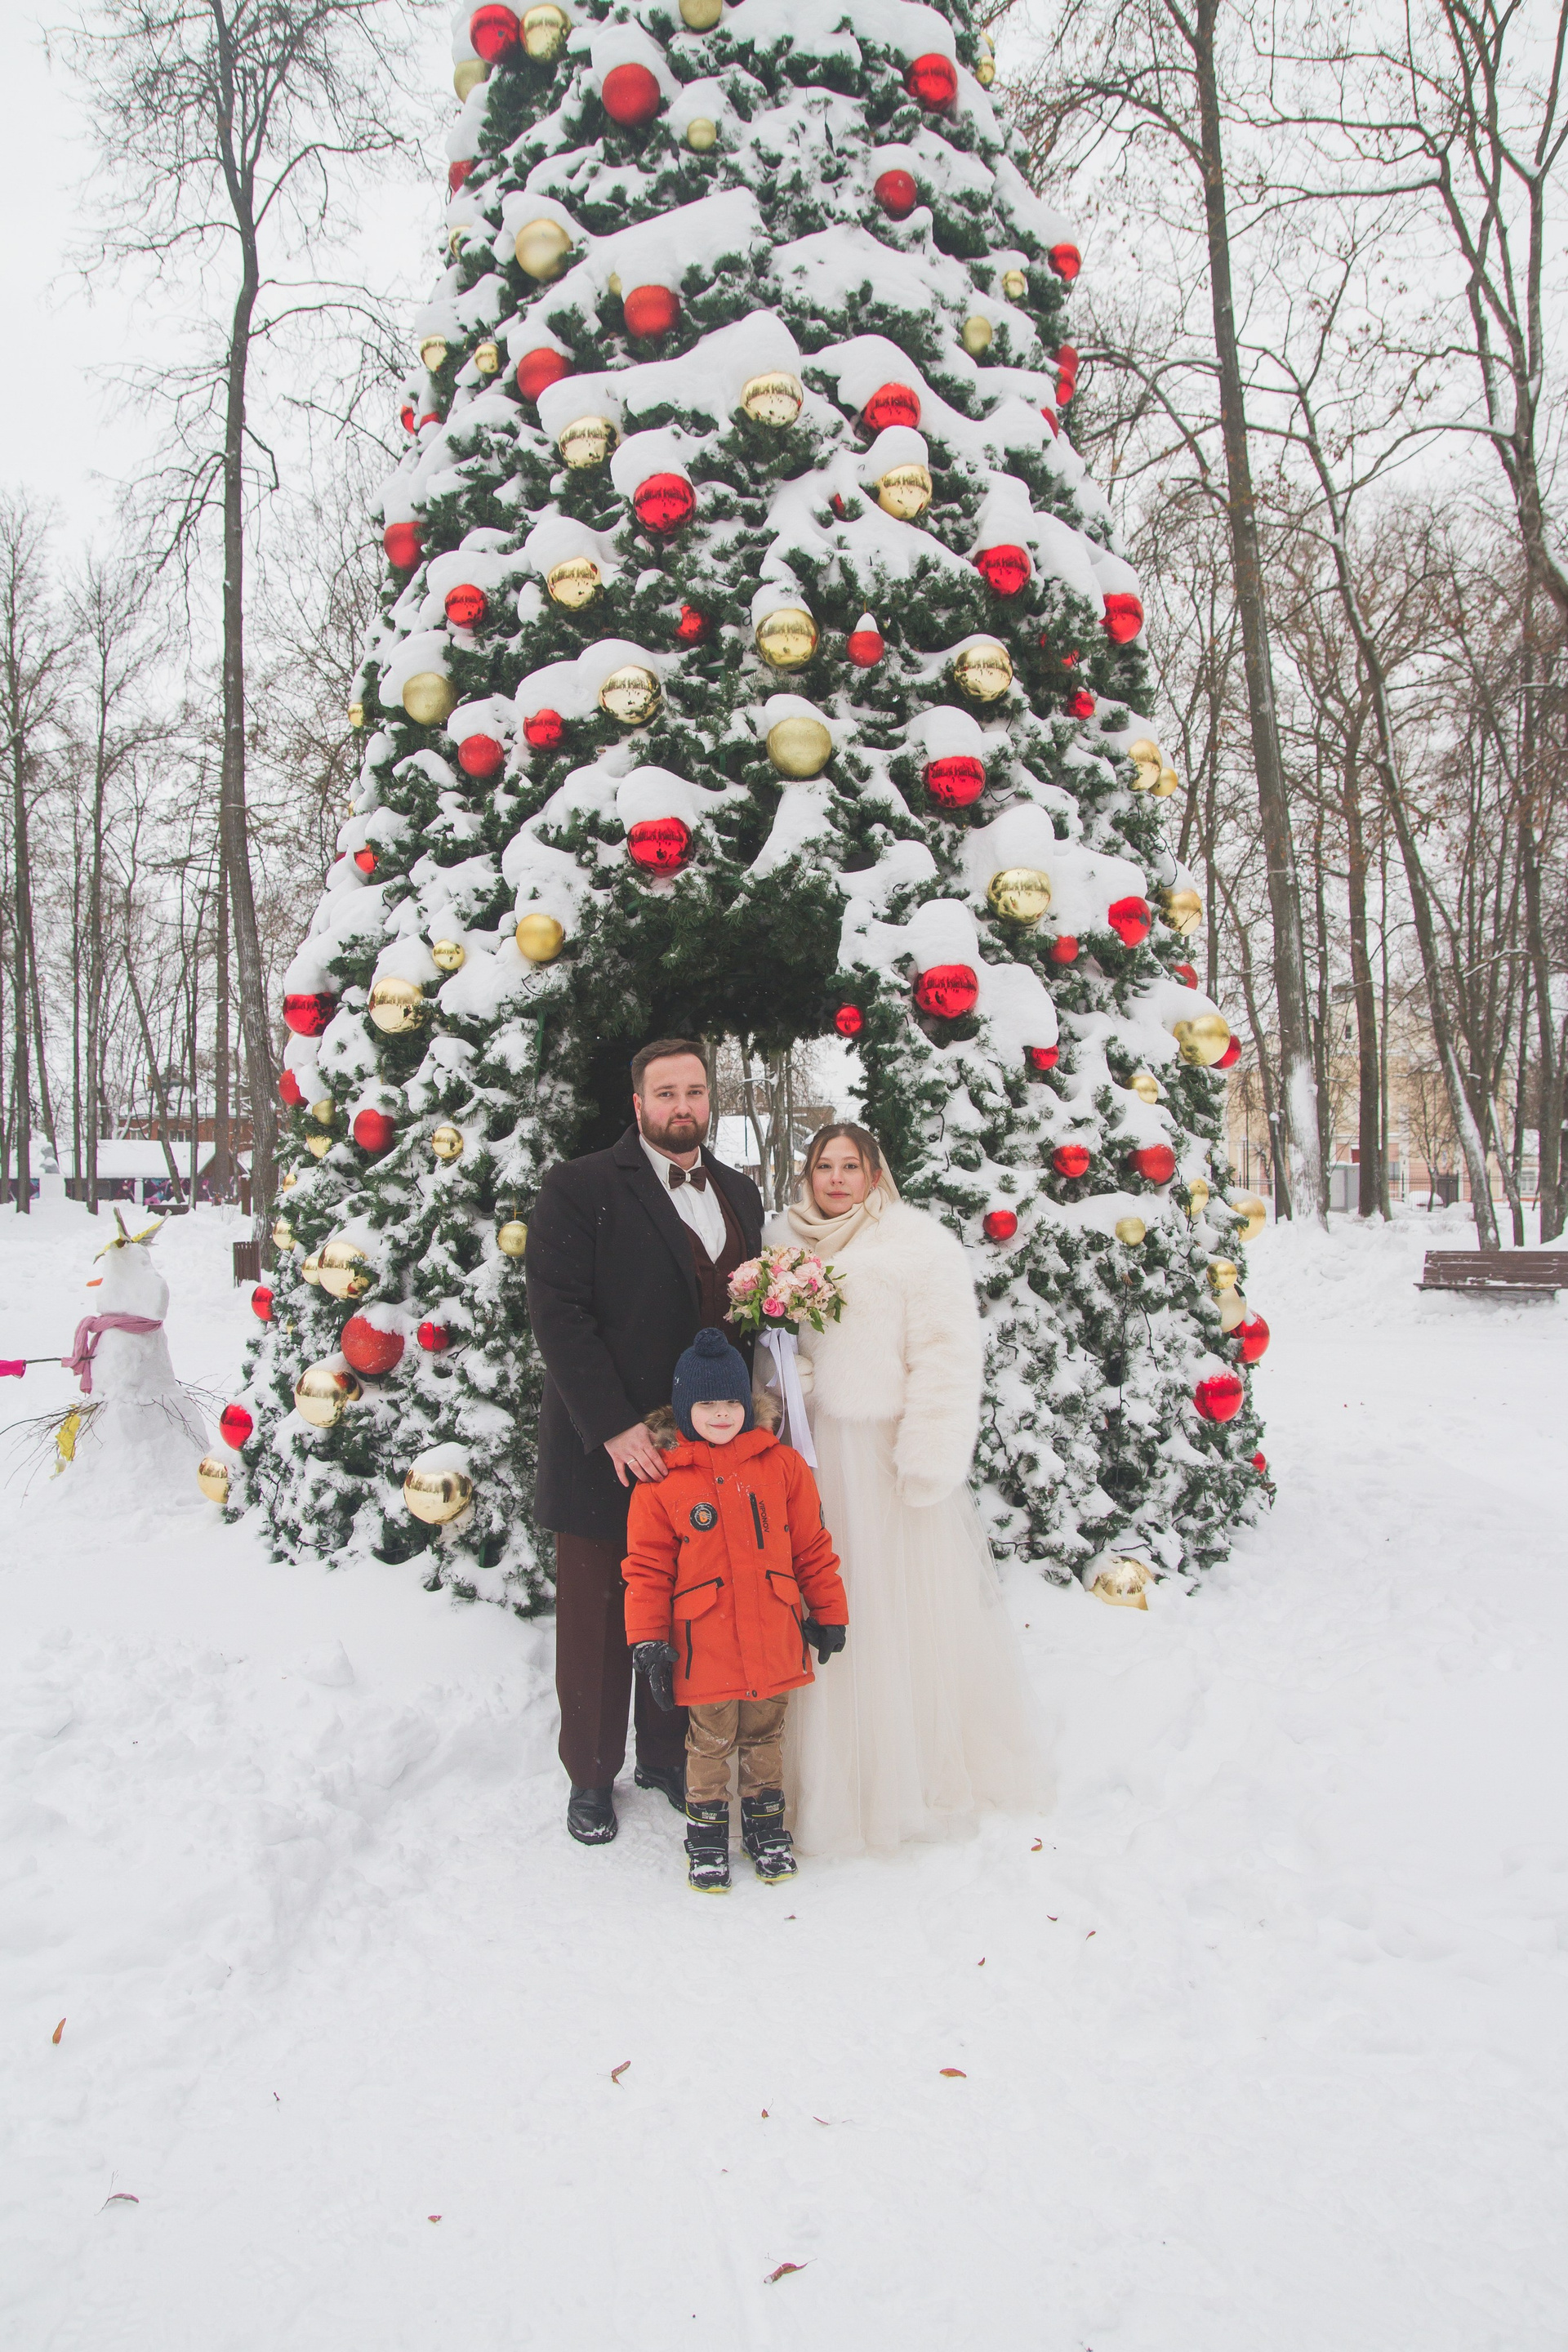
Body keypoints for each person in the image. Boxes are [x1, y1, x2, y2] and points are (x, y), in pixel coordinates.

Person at [764, 1123, 1044, 1855]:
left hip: (881, 1458)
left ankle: (898, 1774)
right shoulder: (780, 1243)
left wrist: (930, 1455)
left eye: (850, 1166)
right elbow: (769, 1342)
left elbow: (946, 1354)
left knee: (883, 1607)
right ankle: (814, 1775)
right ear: (807, 1175)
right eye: (823, 1166)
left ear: (874, 1173)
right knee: (811, 1600)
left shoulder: (916, 1245)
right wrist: (785, 1381)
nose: (835, 1179)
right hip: (806, 1452)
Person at [524, 1040, 764, 1846]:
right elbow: (559, 1316)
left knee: (688, 1609)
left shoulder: (740, 1193)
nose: (682, 1106)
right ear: (638, 1104)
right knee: (599, 1618)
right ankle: (592, 1777)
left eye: (694, 1090)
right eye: (666, 1092)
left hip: (704, 1454)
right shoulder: (580, 1185)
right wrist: (615, 1427)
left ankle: (665, 1758)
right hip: (608, 1451)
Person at [622, 1327, 849, 1891]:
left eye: (730, 1402)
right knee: (709, 1741)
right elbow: (647, 1568)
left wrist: (829, 1610)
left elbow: (811, 1546)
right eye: (706, 1405)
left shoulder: (782, 1467)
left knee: (766, 1737)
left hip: (774, 1634)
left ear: (747, 1405)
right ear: (684, 1409)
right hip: (707, 1644)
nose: (721, 1414)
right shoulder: (662, 1482)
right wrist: (648, 1639)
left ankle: (766, 1829)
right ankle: (705, 1836)